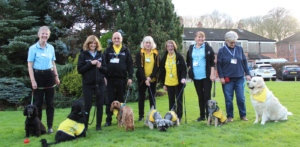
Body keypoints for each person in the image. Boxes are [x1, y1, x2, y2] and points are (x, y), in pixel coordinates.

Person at [27, 26, 60, 133]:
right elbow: (30, 66)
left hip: (50, 75)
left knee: (50, 103)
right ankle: (39, 126)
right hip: (38, 76)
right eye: (43, 33)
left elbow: (53, 63)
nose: (44, 35)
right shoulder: (33, 48)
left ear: (48, 36)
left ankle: (50, 127)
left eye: (46, 34)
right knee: (38, 103)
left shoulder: (51, 48)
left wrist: (56, 76)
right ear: (38, 35)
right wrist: (33, 80)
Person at [217, 31, 251, 122]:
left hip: (239, 78)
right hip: (228, 79)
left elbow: (244, 61)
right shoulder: (221, 51)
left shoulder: (239, 49)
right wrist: (221, 76)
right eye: (231, 42)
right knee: (228, 99)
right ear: (226, 41)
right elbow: (219, 65)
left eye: (235, 42)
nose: (233, 44)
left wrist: (247, 73)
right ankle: (230, 116)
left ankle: (243, 115)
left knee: (241, 98)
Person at [103, 32, 134, 127]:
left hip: (122, 79)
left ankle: (120, 119)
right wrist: (104, 77)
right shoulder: (107, 50)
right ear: (112, 39)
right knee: (109, 100)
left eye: (118, 38)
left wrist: (130, 77)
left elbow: (130, 65)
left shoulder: (126, 51)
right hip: (110, 80)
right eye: (115, 38)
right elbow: (103, 64)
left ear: (122, 39)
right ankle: (108, 120)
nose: (117, 40)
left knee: (120, 100)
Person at [77, 35, 107, 131]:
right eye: (91, 43)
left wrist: (100, 66)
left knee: (99, 104)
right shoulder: (83, 55)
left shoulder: (100, 55)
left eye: (95, 43)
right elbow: (80, 70)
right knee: (88, 105)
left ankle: (98, 126)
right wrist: (90, 63)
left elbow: (106, 69)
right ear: (88, 44)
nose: (93, 45)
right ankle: (85, 126)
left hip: (100, 83)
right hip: (88, 84)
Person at [186, 31, 215, 122]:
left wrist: (212, 74)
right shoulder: (191, 48)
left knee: (207, 97)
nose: (200, 39)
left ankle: (209, 117)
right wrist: (190, 69)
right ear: (195, 38)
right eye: (199, 37)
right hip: (196, 77)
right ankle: (202, 116)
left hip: (206, 77)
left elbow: (212, 63)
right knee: (200, 97)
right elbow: (188, 61)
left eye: (202, 37)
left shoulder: (208, 48)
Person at [160, 40, 187, 122]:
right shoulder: (165, 57)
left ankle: (179, 117)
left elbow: (183, 69)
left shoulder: (179, 56)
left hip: (178, 83)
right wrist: (164, 84)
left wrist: (183, 78)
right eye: (168, 46)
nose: (170, 47)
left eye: (172, 45)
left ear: (174, 47)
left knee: (179, 101)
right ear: (166, 47)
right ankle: (172, 116)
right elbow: (162, 71)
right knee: (171, 101)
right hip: (168, 83)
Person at [135, 36, 160, 121]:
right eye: (147, 42)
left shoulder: (155, 53)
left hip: (152, 79)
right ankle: (141, 116)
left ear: (152, 44)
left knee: (152, 98)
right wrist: (145, 79)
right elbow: (139, 67)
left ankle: (153, 115)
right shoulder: (140, 53)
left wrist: (150, 77)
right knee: (141, 98)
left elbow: (157, 67)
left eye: (150, 43)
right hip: (142, 80)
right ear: (143, 43)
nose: (148, 44)